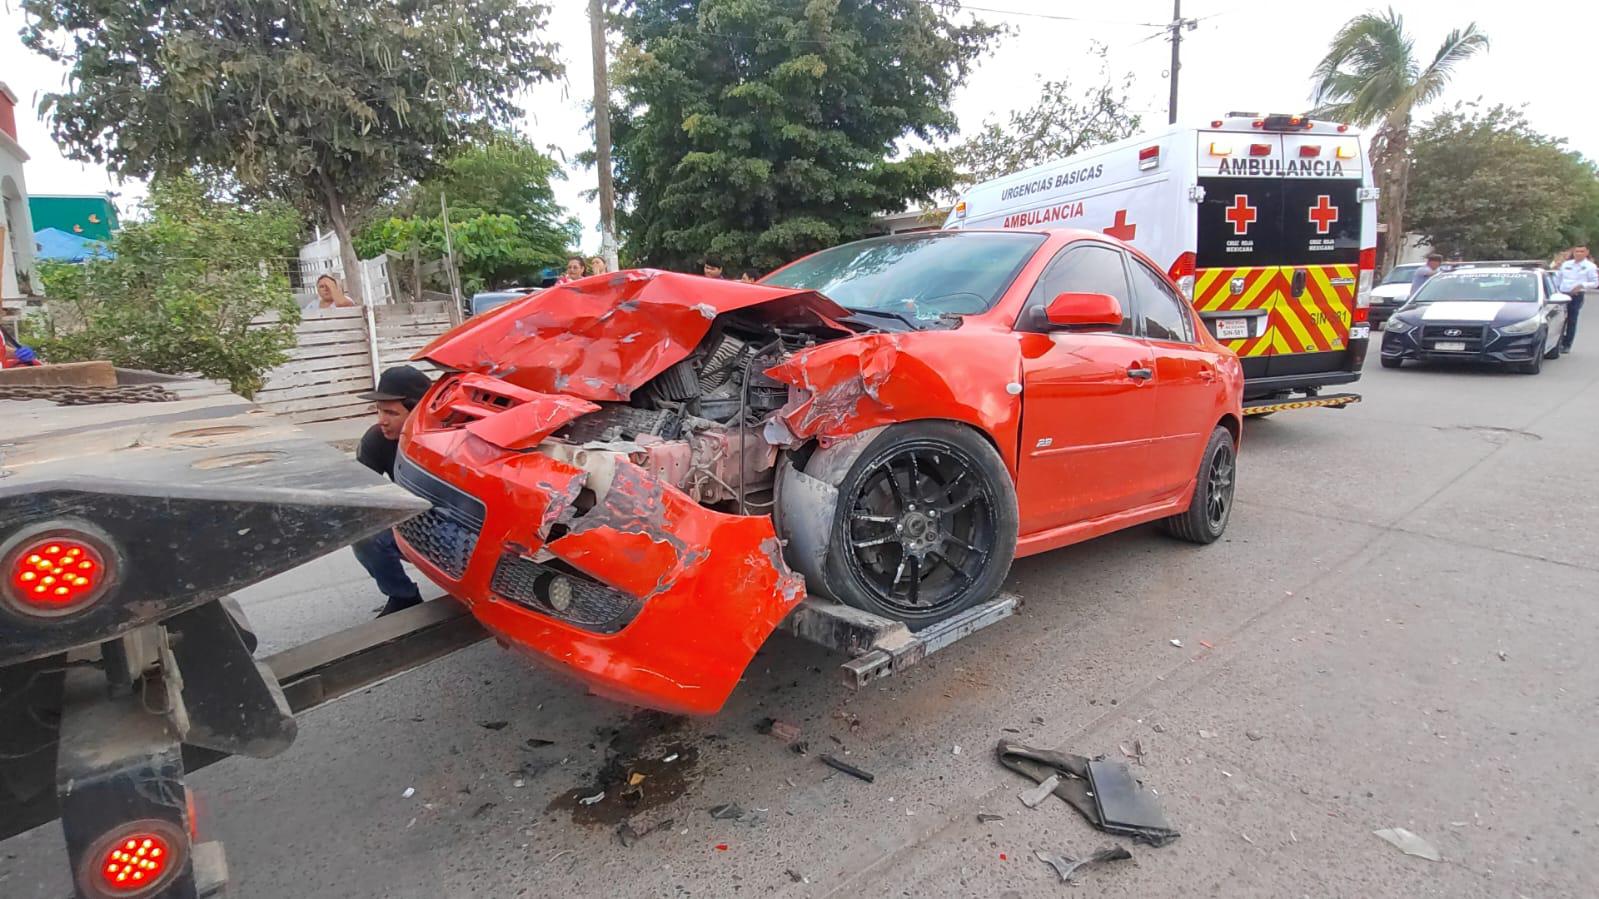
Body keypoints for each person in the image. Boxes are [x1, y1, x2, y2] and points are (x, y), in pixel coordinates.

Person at [353, 365, 434, 616]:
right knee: (363, 532)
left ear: (417, 412)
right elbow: (361, 495)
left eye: (390, 412)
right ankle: (403, 596)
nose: (382, 420)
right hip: (413, 525)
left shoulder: (448, 439)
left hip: (461, 529)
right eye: (379, 411)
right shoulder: (376, 440)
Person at [1556, 245, 1597, 351]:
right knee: (1559, 319)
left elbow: (1595, 282)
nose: (1578, 253)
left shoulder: (1590, 266)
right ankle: (1557, 342)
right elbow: (1558, 278)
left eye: (1581, 251)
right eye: (1576, 251)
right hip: (1562, 294)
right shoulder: (1566, 264)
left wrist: (1582, 285)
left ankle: (1567, 344)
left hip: (1576, 296)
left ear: (1587, 252)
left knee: (1571, 320)